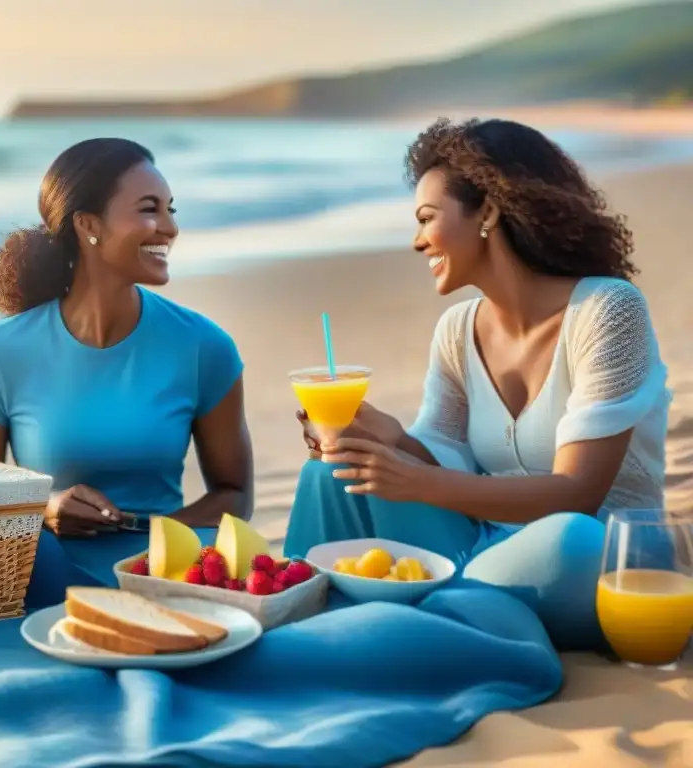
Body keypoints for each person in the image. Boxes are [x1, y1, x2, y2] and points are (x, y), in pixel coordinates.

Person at [285, 118, 671, 651]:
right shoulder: (457, 330)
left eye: (427, 218)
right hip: (480, 549)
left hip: (597, 565)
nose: (418, 241)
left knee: (571, 538)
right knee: (333, 473)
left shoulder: (607, 311)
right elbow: (443, 460)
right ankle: (298, 616)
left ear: (487, 211)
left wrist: (417, 481)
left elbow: (577, 496)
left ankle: (398, 616)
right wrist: (391, 439)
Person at [0, 138, 252, 611]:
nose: (170, 228)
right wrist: (45, 508)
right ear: (88, 225)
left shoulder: (204, 346)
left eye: (171, 210)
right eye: (150, 209)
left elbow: (234, 495)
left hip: (165, 576)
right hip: (43, 573)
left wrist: (156, 545)